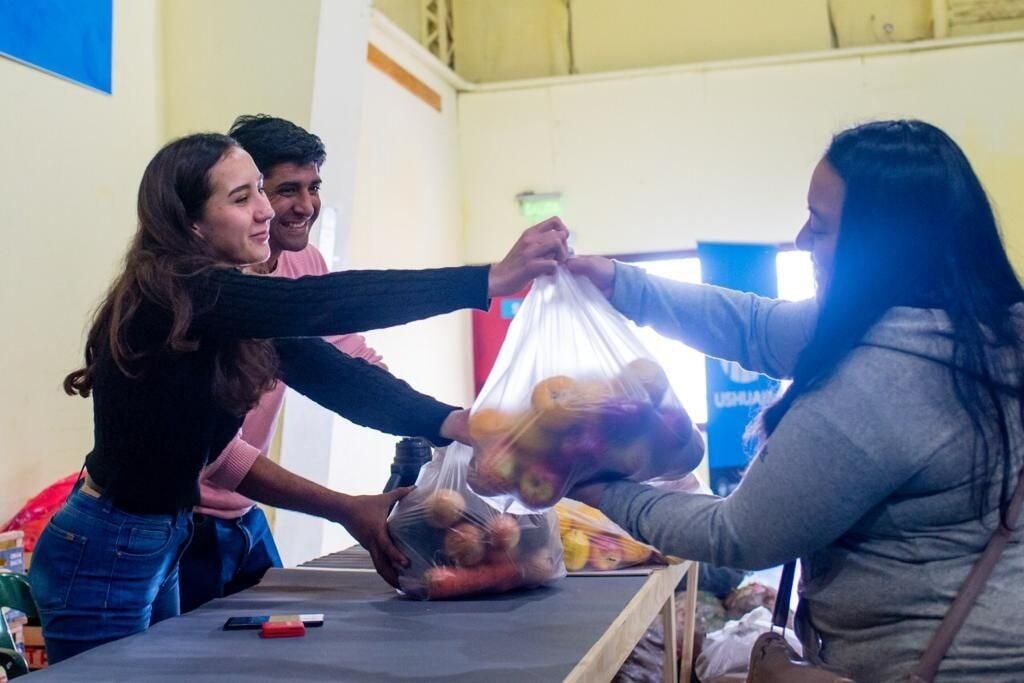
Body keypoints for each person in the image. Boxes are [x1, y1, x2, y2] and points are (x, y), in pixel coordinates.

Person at [29, 131, 568, 662]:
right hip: (107, 548)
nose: (266, 211)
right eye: (243, 198)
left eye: (260, 190)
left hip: (160, 537)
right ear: (190, 223)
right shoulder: (183, 294)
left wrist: (453, 423)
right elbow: (323, 305)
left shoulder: (225, 307)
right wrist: (488, 280)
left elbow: (330, 372)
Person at [567, 120, 1024, 680]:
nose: (803, 238)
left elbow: (737, 534)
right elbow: (757, 328)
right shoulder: (977, 326)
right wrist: (621, 284)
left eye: (822, 226)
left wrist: (597, 490)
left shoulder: (885, 386)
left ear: (881, 247)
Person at [178, 114, 412, 613]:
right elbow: (220, 457)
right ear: (249, 197)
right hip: (177, 522)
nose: (305, 206)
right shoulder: (206, 292)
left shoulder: (305, 264)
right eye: (288, 190)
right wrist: (345, 507)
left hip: (241, 515)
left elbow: (346, 351)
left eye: (314, 187)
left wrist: (426, 422)